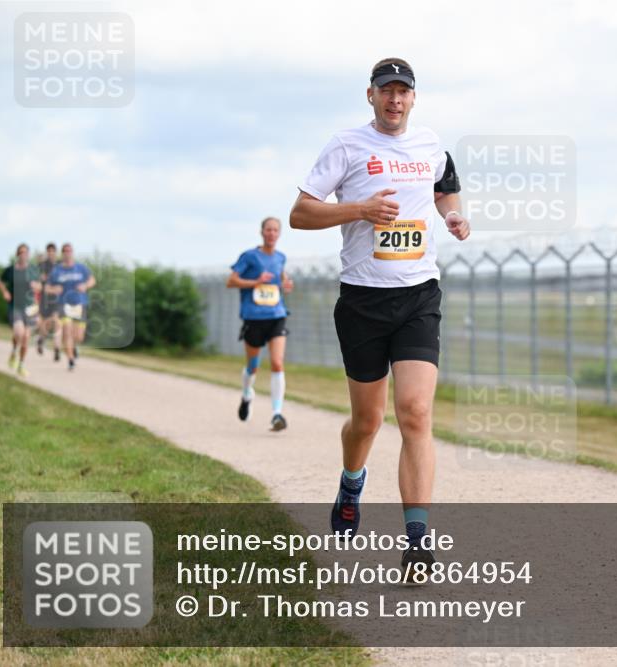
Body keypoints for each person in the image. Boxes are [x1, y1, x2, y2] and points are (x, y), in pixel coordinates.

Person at [289, 57, 470, 579]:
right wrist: (359, 210)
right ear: (370, 95)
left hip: (418, 295)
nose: (395, 100)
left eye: (403, 92)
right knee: (367, 421)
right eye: (386, 91)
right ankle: (351, 481)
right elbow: (302, 213)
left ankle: (417, 544)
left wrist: (453, 214)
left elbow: (444, 187)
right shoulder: (346, 145)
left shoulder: (431, 144)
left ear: (414, 99)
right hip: (363, 301)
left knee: (414, 413)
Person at [226, 217, 294, 431]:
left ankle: (277, 414)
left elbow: (281, 281)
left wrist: (285, 285)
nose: (272, 233)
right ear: (262, 232)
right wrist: (255, 281)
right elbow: (231, 281)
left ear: (279, 234)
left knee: (277, 362)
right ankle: (247, 394)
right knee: (253, 366)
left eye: (275, 230)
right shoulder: (249, 256)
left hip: (276, 315)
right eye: (268, 230)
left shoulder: (281, 258)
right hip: (254, 317)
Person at [46, 243, 95, 371]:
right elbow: (46, 287)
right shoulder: (57, 270)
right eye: (65, 251)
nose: (67, 253)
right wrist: (53, 289)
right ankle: (70, 360)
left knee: (79, 336)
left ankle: (74, 347)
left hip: (80, 304)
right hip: (64, 304)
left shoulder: (81, 268)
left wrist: (85, 286)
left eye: (69, 250)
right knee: (66, 332)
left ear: (72, 252)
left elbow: (92, 280)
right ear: (62, 253)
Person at [0, 244, 42, 377]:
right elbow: (0, 282)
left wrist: (37, 286)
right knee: (19, 333)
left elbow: (40, 286)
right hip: (15, 306)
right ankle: (13, 351)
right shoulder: (11, 270)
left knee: (26, 337)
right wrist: (5, 292)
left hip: (29, 307)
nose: (23, 255)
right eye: (21, 252)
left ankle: (21, 364)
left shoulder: (33, 269)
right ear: (18, 254)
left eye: (26, 252)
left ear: (28, 254)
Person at [36, 243, 62, 360]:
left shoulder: (60, 265)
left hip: (57, 300)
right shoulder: (43, 265)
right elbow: (40, 279)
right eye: (49, 251)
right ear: (47, 252)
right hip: (45, 299)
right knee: (46, 324)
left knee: (56, 322)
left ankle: (57, 348)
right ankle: (41, 339)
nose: (51, 253)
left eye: (53, 251)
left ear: (55, 252)